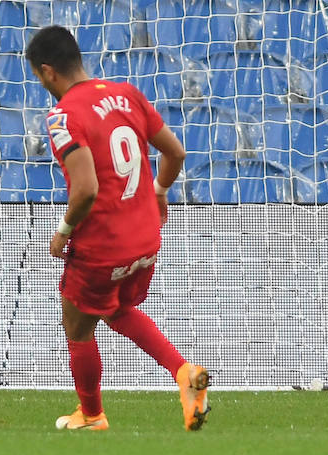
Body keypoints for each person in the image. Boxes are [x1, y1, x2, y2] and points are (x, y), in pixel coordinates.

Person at [24, 25, 210, 432]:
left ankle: (91, 415)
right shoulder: (127, 94)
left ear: (47, 72)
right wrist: (160, 190)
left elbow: (87, 188)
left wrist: (62, 230)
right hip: (145, 240)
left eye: (39, 78)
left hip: (103, 244)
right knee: (118, 308)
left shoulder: (62, 116)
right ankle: (183, 372)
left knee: (76, 324)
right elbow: (176, 152)